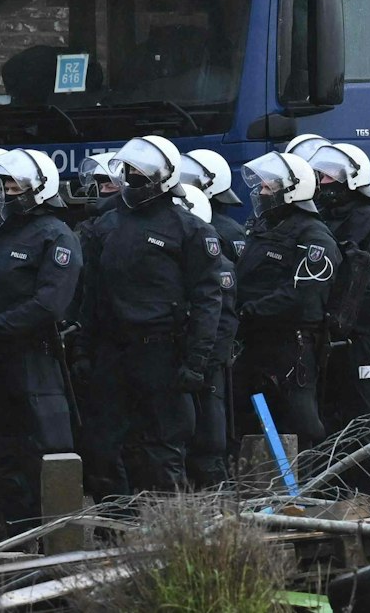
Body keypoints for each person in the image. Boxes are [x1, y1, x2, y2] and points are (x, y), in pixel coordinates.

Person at [78, 136, 222, 495]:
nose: (130, 181)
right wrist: (83, 348)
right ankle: (115, 532)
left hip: (161, 351)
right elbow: (91, 294)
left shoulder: (190, 229)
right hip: (112, 352)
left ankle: (162, 535)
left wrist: (196, 361)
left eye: (139, 175)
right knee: (106, 446)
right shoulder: (106, 225)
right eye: (126, 173)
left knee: (161, 447)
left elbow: (208, 298)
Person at [0, 150, 79, 537]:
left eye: (14, 186)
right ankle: (3, 529)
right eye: (2, 185)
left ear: (39, 188)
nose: (6, 193)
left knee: (34, 449)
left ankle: (42, 535)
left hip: (31, 360)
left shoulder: (57, 234)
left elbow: (49, 303)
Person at [234, 152, 340, 447]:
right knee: (249, 418)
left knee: (300, 423)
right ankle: (262, 487)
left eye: (268, 188)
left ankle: (312, 485)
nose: (261, 193)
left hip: (292, 345)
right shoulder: (263, 228)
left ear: (291, 191)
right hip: (255, 340)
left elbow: (302, 295)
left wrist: (249, 311)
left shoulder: (314, 235)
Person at [308, 143, 370, 430]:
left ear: (353, 179)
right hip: (318, 337)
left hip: (358, 337)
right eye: (318, 176)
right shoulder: (317, 220)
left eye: (328, 177)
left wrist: (339, 315)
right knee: (327, 416)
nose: (321, 183)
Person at [176, 149, 244, 487]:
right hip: (185, 358)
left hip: (210, 362)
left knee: (210, 439)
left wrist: (206, 361)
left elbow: (223, 313)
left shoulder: (224, 238)